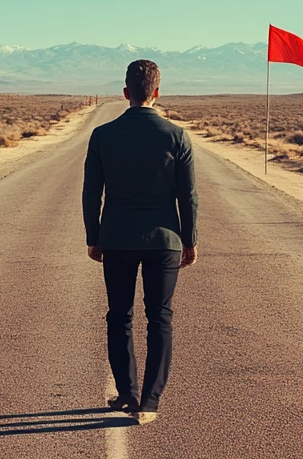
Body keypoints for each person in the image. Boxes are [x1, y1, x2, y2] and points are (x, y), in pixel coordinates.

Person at [82, 59, 198, 425]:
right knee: (159, 317)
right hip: (165, 240)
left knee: (119, 316)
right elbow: (188, 196)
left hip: (116, 238)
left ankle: (127, 392)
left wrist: (93, 237)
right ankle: (149, 402)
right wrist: (190, 240)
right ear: (158, 92)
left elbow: (91, 194)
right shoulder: (177, 136)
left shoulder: (103, 135)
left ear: (126, 93)